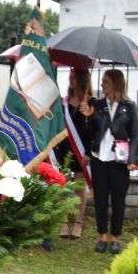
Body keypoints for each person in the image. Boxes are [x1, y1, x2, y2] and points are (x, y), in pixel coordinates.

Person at [89, 69, 138, 254]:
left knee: (118, 200)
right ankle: (102, 236)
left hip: (119, 160)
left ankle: (115, 238)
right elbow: (91, 130)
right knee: (100, 199)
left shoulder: (129, 106)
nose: (102, 84)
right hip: (99, 158)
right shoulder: (97, 104)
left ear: (116, 83)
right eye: (102, 81)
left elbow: (134, 135)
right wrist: (88, 114)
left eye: (106, 81)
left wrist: (132, 159)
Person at [57, 68, 94, 240]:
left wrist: (87, 111)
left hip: (82, 152)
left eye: (74, 77)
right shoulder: (63, 102)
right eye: (70, 77)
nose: (70, 80)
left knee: (80, 186)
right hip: (64, 150)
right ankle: (63, 222)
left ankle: (78, 224)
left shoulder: (92, 103)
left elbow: (95, 130)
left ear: (82, 79)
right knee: (62, 186)